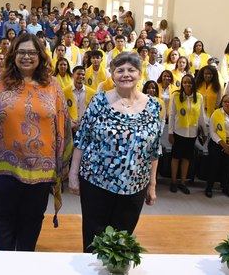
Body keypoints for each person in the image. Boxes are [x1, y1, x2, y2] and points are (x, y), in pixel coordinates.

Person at [0, 33, 67, 251]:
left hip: (41, 174)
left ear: (40, 56)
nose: (26, 57)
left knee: (30, 230)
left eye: (32, 52)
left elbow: (62, 128)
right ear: (13, 55)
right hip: (4, 171)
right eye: (21, 52)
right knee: (3, 231)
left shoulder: (53, 86)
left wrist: (60, 168)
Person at [69, 52, 162, 252]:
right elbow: (82, 138)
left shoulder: (153, 106)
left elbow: (154, 149)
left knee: (122, 240)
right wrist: (72, 174)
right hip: (96, 182)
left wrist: (152, 185)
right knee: (94, 238)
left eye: (131, 70)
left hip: (135, 185)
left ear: (140, 73)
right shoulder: (99, 101)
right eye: (120, 70)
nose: (125, 74)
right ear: (112, 74)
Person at [168, 74, 207, 194]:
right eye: (184, 82)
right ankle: (174, 181)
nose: (187, 84)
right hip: (179, 132)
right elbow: (172, 115)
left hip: (192, 133)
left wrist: (204, 132)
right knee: (175, 158)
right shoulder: (176, 96)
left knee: (186, 159)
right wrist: (170, 132)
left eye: (189, 82)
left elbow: (201, 116)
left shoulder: (199, 97)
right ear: (182, 83)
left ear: (193, 84)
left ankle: (183, 182)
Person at [206, 95, 229, 199]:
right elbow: (212, 131)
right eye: (225, 101)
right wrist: (223, 144)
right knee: (214, 166)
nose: (227, 104)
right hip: (217, 144)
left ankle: (226, 188)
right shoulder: (216, 113)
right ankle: (209, 188)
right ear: (222, 102)